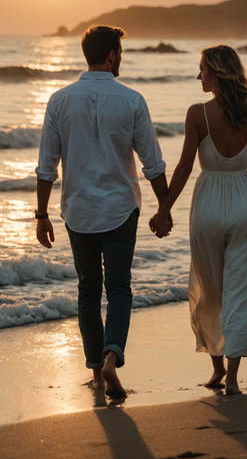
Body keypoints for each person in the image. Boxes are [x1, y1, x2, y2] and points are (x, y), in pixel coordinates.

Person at [35, 25, 169, 399]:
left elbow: (47, 166)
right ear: (111, 55)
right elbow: (153, 164)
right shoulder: (131, 100)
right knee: (120, 288)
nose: (120, 60)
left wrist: (41, 214)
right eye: (120, 54)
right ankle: (112, 358)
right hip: (120, 208)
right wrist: (165, 207)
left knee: (88, 290)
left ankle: (95, 372)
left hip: (78, 210)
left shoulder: (59, 100)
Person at [150, 44, 247, 396]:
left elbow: (185, 167)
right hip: (246, 205)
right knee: (241, 291)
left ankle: (217, 369)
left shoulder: (197, 114)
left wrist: (165, 208)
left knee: (210, 290)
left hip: (206, 206)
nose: (198, 75)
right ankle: (232, 377)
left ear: (216, 73)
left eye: (202, 68)